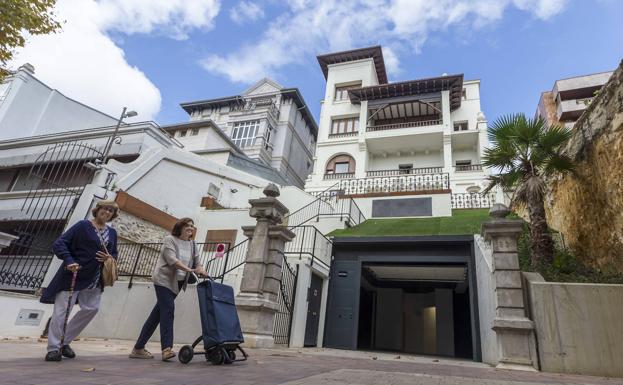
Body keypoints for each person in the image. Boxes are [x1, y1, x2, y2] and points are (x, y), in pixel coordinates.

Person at [40, 200, 119, 362]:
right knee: (62, 312)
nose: (107, 212)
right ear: (97, 210)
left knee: (92, 309)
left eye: (111, 211)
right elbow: (60, 243)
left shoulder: (112, 233)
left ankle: (65, 341)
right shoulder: (83, 226)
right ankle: (54, 348)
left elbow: (115, 254)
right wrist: (69, 261)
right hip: (73, 274)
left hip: (95, 278)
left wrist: (109, 257)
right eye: (105, 208)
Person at [130, 217, 206, 361]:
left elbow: (198, 262)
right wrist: (190, 269)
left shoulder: (193, 244)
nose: (190, 228)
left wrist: (201, 269)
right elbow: (172, 260)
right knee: (168, 310)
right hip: (164, 281)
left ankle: (138, 348)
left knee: (157, 315)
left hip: (177, 284)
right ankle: (166, 349)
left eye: (192, 226)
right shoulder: (169, 240)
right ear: (180, 227)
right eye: (187, 225)